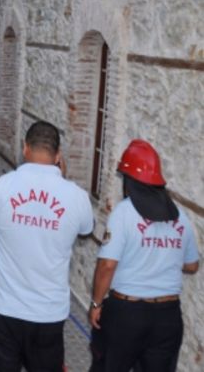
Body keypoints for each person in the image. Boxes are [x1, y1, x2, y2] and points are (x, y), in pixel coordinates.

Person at [0, 121, 93, 371]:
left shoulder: (2, 188)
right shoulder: (77, 197)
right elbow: (85, 230)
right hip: (48, 317)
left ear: (25, 148)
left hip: (3, 312)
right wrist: (63, 181)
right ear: (58, 156)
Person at [88, 139, 199, 371]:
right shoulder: (180, 217)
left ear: (129, 181)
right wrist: (163, 256)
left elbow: (107, 266)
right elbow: (192, 265)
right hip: (168, 317)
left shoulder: (124, 212)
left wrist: (96, 303)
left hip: (127, 314)